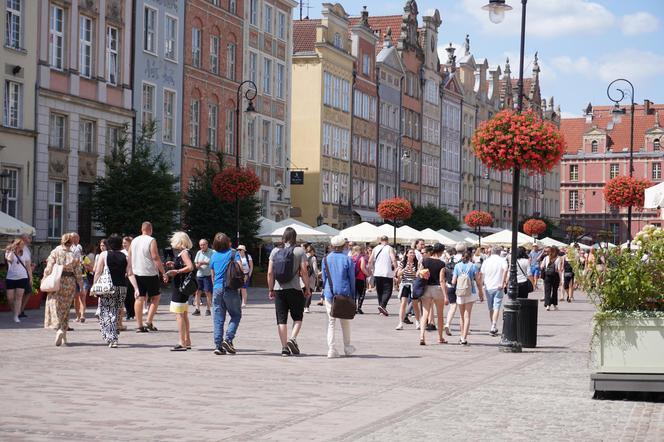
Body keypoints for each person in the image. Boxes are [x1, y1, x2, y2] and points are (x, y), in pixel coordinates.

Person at [267, 227, 311, 357]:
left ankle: (284, 348)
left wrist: (270, 288)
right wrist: (307, 288)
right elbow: (304, 271)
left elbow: (270, 273)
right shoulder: (299, 251)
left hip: (278, 289)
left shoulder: (275, 251)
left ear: (283, 237)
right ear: (295, 237)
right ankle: (292, 338)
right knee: (298, 317)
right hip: (294, 288)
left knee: (281, 319)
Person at [93, 234, 138, 348]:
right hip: (122, 287)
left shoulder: (104, 255)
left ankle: (112, 337)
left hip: (108, 287)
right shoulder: (126, 256)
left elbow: (98, 272)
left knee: (107, 311)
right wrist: (136, 288)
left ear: (109, 244)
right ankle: (112, 335)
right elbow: (130, 273)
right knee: (116, 312)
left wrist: (94, 285)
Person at [43, 233, 84, 346]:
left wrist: (45, 277)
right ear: (71, 242)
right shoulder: (74, 254)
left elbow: (49, 267)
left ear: (61, 241)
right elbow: (78, 272)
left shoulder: (55, 252)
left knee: (54, 305)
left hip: (57, 281)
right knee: (65, 308)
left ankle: (59, 329)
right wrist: (81, 286)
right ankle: (64, 334)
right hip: (70, 283)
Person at [321, 236, 357, 358]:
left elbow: (324, 278)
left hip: (329, 293)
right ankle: (347, 347)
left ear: (331, 246)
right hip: (344, 293)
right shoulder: (348, 260)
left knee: (331, 322)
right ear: (344, 246)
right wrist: (353, 294)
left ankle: (331, 349)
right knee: (345, 321)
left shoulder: (325, 259)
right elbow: (352, 279)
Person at [209, 233, 242, 355]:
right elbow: (240, 269)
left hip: (217, 289)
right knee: (236, 315)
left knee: (218, 318)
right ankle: (228, 339)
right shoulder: (234, 253)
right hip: (230, 288)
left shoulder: (213, 256)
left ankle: (218, 345)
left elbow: (212, 275)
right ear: (228, 242)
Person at [129, 221, 165, 333]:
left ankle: (139, 325)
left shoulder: (134, 240)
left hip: (137, 272)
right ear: (151, 229)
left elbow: (129, 256)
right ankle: (148, 321)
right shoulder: (151, 240)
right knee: (156, 297)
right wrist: (163, 272)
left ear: (141, 229)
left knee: (139, 297)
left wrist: (130, 270)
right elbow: (155, 257)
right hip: (150, 273)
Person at [163, 232, 195, 351]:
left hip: (180, 288)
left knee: (179, 315)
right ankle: (187, 341)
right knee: (184, 314)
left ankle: (182, 342)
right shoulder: (186, 252)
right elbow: (187, 266)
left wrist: (176, 271)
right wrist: (175, 265)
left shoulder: (184, 253)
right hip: (183, 288)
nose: (172, 243)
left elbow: (190, 267)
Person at [452, 250, 484, 345]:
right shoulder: (473, 266)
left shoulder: (457, 266)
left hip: (460, 292)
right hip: (471, 292)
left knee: (461, 316)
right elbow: (478, 281)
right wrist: (481, 293)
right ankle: (464, 338)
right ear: (470, 257)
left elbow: (453, 281)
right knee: (467, 316)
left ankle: (461, 335)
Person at [419, 243, 448, 345]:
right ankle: (440, 337)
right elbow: (441, 280)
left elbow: (419, 273)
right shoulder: (441, 264)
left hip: (426, 288)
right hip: (437, 289)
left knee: (425, 313)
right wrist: (445, 296)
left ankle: (422, 336)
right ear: (441, 252)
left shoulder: (425, 261)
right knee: (440, 314)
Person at [480, 246, 508, 336]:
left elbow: (482, 273)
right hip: (498, 286)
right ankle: (493, 325)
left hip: (488, 286)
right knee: (496, 306)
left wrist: (482, 285)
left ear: (491, 252)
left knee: (491, 307)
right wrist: (503, 282)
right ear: (500, 252)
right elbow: (505, 270)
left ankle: (493, 325)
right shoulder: (502, 260)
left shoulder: (486, 261)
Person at [368, 235, 397, 316]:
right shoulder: (389, 248)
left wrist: (370, 271)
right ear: (387, 241)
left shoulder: (375, 248)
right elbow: (393, 259)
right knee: (388, 291)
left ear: (380, 240)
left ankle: (381, 310)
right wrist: (396, 269)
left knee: (380, 291)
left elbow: (370, 261)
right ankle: (382, 306)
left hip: (377, 273)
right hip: (387, 273)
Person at [4, 238, 29, 323]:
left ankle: (16, 315)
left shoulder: (25, 252)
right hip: (11, 277)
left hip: (22, 277)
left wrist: (31, 278)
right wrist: (12, 250)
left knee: (19, 297)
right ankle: (15, 311)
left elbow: (28, 266)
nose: (23, 246)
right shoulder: (9, 252)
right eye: (21, 244)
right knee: (10, 298)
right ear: (17, 245)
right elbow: (9, 260)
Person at [395, 249, 419, 330]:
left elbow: (418, 275)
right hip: (405, 284)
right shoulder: (403, 263)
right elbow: (398, 274)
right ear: (407, 255)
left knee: (415, 304)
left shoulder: (417, 263)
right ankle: (400, 323)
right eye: (411, 253)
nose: (412, 254)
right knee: (403, 304)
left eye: (413, 253)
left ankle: (418, 322)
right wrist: (405, 269)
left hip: (414, 285)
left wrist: (412, 271)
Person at [444, 243, 465, 336]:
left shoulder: (451, 258)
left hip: (450, 285)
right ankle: (464, 328)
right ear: (464, 250)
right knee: (462, 308)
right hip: (461, 286)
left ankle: (448, 323)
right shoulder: (465, 259)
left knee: (453, 306)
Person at [193, 238, 213, 316]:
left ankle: (208, 309)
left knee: (207, 292)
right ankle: (197, 309)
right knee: (197, 292)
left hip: (207, 275)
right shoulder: (199, 252)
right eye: (201, 245)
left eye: (204, 244)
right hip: (199, 275)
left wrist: (204, 262)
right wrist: (197, 265)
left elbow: (213, 262)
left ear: (207, 244)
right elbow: (195, 263)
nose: (202, 246)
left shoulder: (212, 252)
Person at [541, 246, 564, 311]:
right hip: (555, 276)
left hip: (547, 276)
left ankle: (547, 305)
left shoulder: (546, 258)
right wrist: (561, 279)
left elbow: (541, 266)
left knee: (547, 290)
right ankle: (554, 305)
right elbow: (559, 269)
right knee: (554, 291)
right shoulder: (558, 259)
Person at [17, 233, 34, 318]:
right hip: (20, 274)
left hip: (26, 273)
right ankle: (19, 310)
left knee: (28, 292)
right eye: (28, 238)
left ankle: (21, 310)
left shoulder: (27, 248)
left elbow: (27, 262)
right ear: (23, 239)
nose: (30, 239)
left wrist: (31, 267)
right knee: (23, 292)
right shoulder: (18, 248)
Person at [350, 245, 369, 315]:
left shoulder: (351, 258)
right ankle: (359, 308)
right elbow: (362, 268)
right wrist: (367, 274)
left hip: (352, 278)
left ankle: (353, 308)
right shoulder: (361, 258)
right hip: (360, 278)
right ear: (360, 250)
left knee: (354, 294)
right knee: (361, 294)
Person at [122, 236, 135, 320]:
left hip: (133, 275)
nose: (124, 245)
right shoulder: (122, 252)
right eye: (123, 243)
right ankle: (128, 312)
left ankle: (133, 312)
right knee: (126, 295)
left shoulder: (134, 252)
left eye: (125, 243)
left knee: (132, 295)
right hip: (124, 276)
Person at [304, 245, 319, 313]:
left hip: (302, 277)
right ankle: (307, 307)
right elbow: (315, 269)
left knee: (303, 291)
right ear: (312, 251)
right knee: (309, 292)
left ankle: (303, 306)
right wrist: (317, 276)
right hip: (311, 277)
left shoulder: (303, 256)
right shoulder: (313, 258)